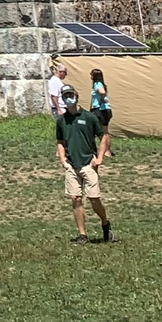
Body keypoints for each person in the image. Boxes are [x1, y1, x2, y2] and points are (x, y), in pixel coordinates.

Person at [55, 84, 111, 243]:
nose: (68, 98)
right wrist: (63, 159)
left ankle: (105, 223)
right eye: (65, 96)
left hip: (88, 163)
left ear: (76, 95)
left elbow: (103, 137)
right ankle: (82, 234)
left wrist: (99, 158)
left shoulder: (89, 117)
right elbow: (59, 141)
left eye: (70, 95)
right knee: (76, 198)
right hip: (71, 165)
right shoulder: (61, 120)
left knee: (94, 199)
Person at [89, 69, 114, 163]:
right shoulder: (99, 84)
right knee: (105, 131)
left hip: (101, 110)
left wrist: (102, 100)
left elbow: (102, 92)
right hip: (103, 109)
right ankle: (106, 150)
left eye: (91, 75)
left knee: (102, 132)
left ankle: (106, 151)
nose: (90, 76)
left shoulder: (97, 84)